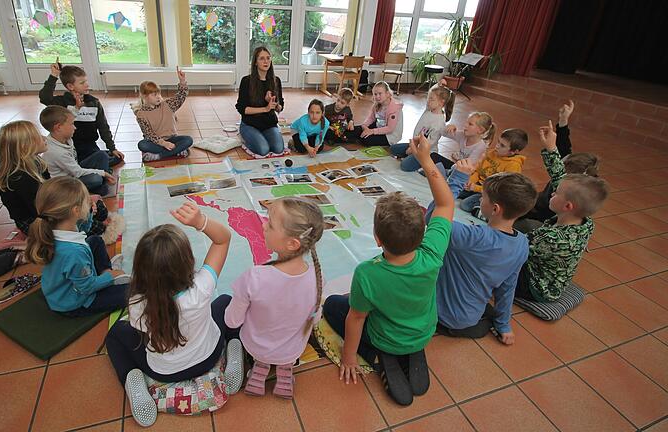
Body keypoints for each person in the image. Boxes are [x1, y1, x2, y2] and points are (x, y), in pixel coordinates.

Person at [323, 133, 454, 406]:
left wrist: (349, 356)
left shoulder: (367, 273)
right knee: (366, 306)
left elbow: (356, 319)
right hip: (423, 332)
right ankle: (411, 350)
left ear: (377, 238)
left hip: (384, 337)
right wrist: (426, 158)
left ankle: (379, 355)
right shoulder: (432, 253)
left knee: (335, 306)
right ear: (422, 234)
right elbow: (445, 204)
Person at [104, 201, 244, 427]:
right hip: (210, 355)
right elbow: (223, 238)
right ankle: (235, 346)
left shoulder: (138, 303)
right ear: (188, 262)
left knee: (115, 334)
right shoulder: (202, 286)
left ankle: (132, 378)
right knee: (226, 300)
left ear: (140, 270)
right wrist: (200, 221)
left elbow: (142, 330)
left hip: (163, 372)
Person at [218, 197, 324, 398]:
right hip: (293, 350)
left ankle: (259, 370)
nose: (263, 225)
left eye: (271, 224)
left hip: (256, 347)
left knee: (259, 350)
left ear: (292, 243)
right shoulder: (317, 277)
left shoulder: (254, 277)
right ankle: (285, 373)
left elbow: (232, 321)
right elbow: (315, 318)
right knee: (285, 357)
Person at [430, 161, 537, 344]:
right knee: (484, 312)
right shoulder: (522, 243)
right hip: (469, 315)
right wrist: (503, 324)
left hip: (439, 313)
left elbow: (432, 218)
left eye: (483, 197)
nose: (480, 199)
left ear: (495, 209)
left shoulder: (473, 237)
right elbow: (507, 287)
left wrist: (457, 179)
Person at [514, 122, 609, 303]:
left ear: (567, 206)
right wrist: (551, 147)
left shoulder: (552, 238)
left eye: (556, 193)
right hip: (550, 275)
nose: (553, 191)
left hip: (537, 287)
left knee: (496, 261)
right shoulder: (585, 221)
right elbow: (559, 177)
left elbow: (514, 249)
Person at [25, 177, 128, 316]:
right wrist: (110, 277)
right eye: (87, 201)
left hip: (67, 284)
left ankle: (104, 272)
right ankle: (108, 276)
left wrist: (89, 214)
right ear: (76, 211)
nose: (91, 202)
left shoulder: (56, 226)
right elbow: (87, 287)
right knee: (134, 291)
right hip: (76, 301)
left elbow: (85, 228)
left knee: (95, 240)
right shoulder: (73, 252)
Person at [517, 100, 599, 231]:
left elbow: (556, 168)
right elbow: (564, 145)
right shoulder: (577, 176)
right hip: (536, 205)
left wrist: (550, 149)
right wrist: (563, 120)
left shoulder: (566, 186)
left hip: (539, 218)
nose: (561, 159)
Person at [39, 61, 124, 166]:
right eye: (82, 83)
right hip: (68, 146)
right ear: (70, 86)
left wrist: (112, 148)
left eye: (86, 81)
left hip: (89, 145)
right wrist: (54, 75)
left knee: (112, 157)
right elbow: (44, 98)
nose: (87, 85)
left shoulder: (94, 102)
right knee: (97, 162)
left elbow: (103, 127)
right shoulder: (61, 102)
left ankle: (95, 163)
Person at [40, 105, 116, 196]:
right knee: (95, 179)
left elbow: (71, 116)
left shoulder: (63, 137)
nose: (75, 127)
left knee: (101, 155)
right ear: (58, 127)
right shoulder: (56, 152)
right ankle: (99, 185)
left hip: (73, 169)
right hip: (66, 182)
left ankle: (102, 181)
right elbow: (78, 172)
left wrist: (77, 107)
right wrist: (103, 173)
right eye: (72, 124)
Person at [0, 120, 49, 236]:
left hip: (44, 211)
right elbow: (38, 210)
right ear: (25, 146)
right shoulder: (20, 177)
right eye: (38, 136)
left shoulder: (37, 163)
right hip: (33, 222)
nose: (44, 137)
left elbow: (51, 187)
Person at [459, 128, 529, 214]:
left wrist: (476, 188)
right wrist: (471, 181)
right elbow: (478, 170)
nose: (497, 146)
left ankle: (485, 213)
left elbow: (499, 190)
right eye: (498, 142)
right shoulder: (493, 153)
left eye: (502, 145)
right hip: (478, 185)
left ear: (513, 152)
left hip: (490, 194)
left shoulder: (513, 166)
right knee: (455, 189)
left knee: (465, 205)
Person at [133, 68, 193, 162]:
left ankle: (159, 156)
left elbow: (181, 96)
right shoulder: (141, 114)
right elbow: (149, 135)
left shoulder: (167, 105)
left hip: (172, 139)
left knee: (188, 140)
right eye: (154, 95)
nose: (158, 97)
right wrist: (164, 144)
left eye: (158, 94)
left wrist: (182, 81)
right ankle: (177, 151)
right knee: (142, 145)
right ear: (144, 96)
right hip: (156, 142)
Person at [389, 84, 453, 171]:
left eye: (431, 99)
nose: (428, 101)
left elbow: (428, 144)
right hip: (415, 145)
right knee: (393, 149)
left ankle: (421, 162)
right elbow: (432, 90)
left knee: (404, 166)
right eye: (428, 98)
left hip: (425, 153)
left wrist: (413, 149)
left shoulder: (439, 123)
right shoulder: (429, 109)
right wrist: (438, 84)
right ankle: (410, 156)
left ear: (441, 102)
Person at [236, 46, 286, 157]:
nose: (266, 61)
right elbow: (242, 108)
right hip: (250, 124)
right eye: (262, 58)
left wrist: (274, 104)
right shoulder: (246, 81)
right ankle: (246, 137)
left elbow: (280, 106)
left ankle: (261, 137)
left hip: (269, 124)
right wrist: (265, 108)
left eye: (268, 58)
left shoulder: (276, 80)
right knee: (263, 150)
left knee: (278, 149)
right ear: (255, 62)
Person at [352, 81, 404, 147]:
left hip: (390, 135)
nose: (377, 96)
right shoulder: (377, 104)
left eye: (380, 94)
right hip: (379, 126)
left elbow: (390, 128)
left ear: (387, 94)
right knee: (358, 129)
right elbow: (371, 118)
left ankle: (358, 138)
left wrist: (372, 131)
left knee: (366, 140)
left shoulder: (394, 108)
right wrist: (364, 126)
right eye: (375, 94)